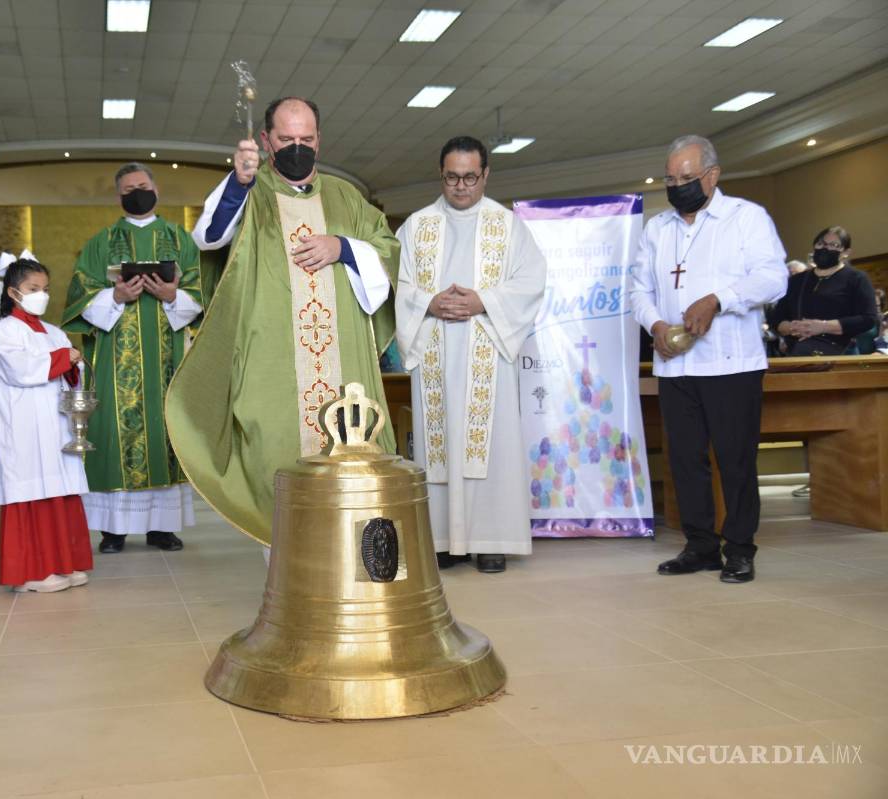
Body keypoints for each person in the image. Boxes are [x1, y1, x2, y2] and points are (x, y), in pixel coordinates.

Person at [166, 97, 399, 547]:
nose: (298, 147)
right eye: (287, 139)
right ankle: (287, 572)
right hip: (271, 362)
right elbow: (209, 236)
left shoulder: (345, 196)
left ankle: (353, 562)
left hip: (342, 362)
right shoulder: (250, 189)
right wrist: (238, 181)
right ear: (265, 139)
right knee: (273, 454)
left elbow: (389, 251)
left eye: (307, 139)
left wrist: (343, 248)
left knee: (349, 455)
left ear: (319, 139)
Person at [629, 135, 787, 584]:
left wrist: (720, 299)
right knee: (684, 459)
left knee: (735, 459)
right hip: (676, 366)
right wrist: (656, 324)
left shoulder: (745, 218)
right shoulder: (658, 229)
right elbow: (638, 289)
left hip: (731, 364)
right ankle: (699, 545)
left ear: (712, 176)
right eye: (670, 178)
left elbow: (774, 279)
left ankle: (739, 548)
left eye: (686, 178)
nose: (677, 186)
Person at [395, 136, 547, 574]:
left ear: (485, 175)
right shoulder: (417, 226)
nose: (460, 187)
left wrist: (483, 302)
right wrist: (429, 303)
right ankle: (441, 540)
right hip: (435, 352)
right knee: (436, 448)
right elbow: (398, 286)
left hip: (487, 354)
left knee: (492, 446)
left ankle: (490, 539)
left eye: (469, 177)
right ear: (440, 174)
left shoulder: (508, 225)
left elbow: (531, 282)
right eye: (451, 177)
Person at [62, 163, 202, 553]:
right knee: (112, 432)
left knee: (164, 432)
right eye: (129, 188)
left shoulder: (179, 238)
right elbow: (79, 297)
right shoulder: (101, 242)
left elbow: (202, 291)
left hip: (167, 361)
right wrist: (116, 297)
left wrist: (172, 296)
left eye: (143, 185)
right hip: (113, 359)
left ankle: (162, 528)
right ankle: (113, 530)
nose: (137, 192)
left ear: (156, 189)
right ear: (118, 196)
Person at [0, 258, 94, 591]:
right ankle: (31, 573)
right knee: (32, 489)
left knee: (60, 488)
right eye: (33, 289)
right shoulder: (6, 329)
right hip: (24, 426)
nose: (41, 296)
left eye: (45, 289)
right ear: (13, 292)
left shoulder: (54, 332)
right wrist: (65, 357)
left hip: (54, 424)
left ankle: (66, 563)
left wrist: (73, 365)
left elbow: (67, 378)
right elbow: (21, 369)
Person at [769, 227, 878, 357]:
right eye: (821, 243)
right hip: (798, 353)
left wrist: (823, 326)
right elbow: (777, 319)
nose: (825, 248)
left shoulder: (856, 278)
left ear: (846, 252)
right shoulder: (797, 280)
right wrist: (795, 328)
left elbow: (868, 318)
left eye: (834, 245)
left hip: (840, 351)